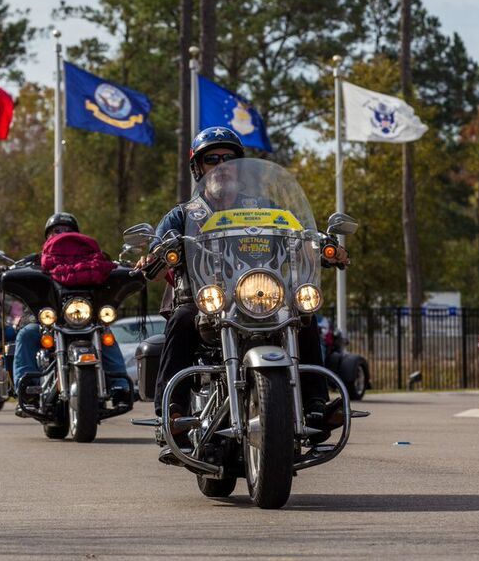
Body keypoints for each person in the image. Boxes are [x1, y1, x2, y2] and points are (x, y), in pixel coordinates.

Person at [142, 127, 345, 434]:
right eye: (212, 159)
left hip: (260, 296)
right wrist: (153, 255)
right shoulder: (184, 215)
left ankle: (315, 405)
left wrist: (324, 248)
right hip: (205, 303)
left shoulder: (264, 209)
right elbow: (157, 249)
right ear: (199, 167)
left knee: (303, 315)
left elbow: (297, 235)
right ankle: (172, 413)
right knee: (182, 320)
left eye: (229, 159)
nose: (222, 166)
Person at [12, 213, 132, 406]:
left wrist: (127, 268)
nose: (62, 234)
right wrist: (5, 270)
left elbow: (110, 267)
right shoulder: (36, 262)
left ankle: (120, 387)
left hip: (85, 320)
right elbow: (14, 271)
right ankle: (27, 388)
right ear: (47, 237)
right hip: (45, 323)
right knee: (27, 333)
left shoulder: (92, 258)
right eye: (56, 231)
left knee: (105, 335)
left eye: (67, 231)